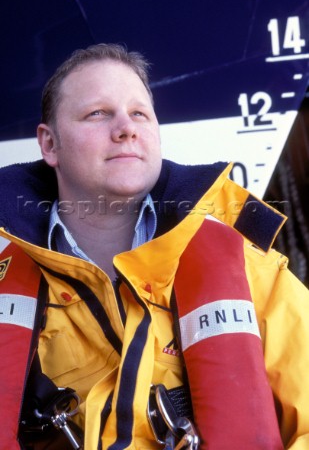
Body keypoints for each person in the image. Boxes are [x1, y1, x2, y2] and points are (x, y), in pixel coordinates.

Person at [0, 43, 309, 450]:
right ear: (49, 145)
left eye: (140, 113)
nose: (126, 127)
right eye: (97, 113)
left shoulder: (255, 272)